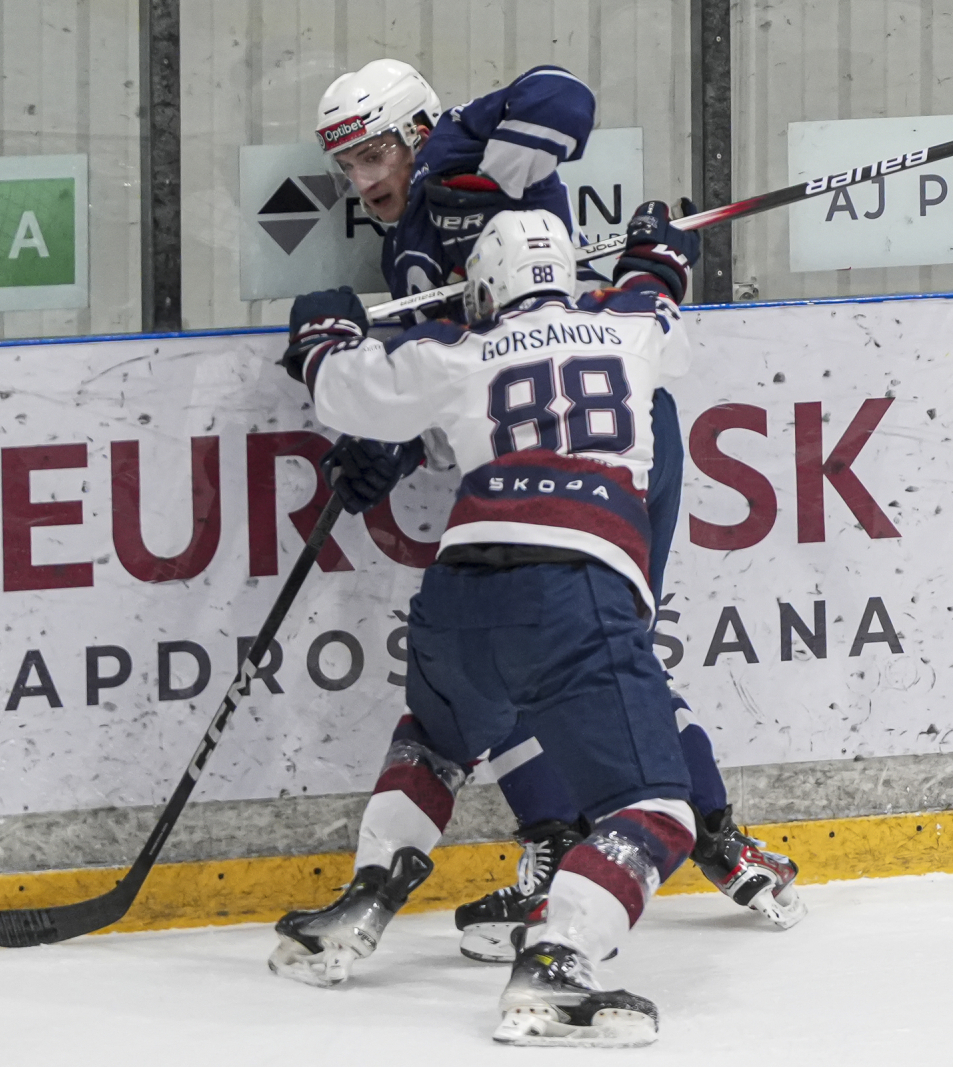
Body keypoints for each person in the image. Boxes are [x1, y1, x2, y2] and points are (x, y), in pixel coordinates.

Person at [314, 59, 805, 959]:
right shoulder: (402, 248)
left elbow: (560, 97)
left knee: (577, 652)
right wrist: (389, 448)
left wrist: (480, 164)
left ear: (417, 130)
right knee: (543, 655)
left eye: (376, 153)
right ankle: (639, 840)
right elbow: (457, 393)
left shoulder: (461, 152)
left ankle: (685, 834)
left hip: (604, 440)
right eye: (348, 165)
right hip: (531, 447)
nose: (364, 179)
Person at [269, 206, 702, 1047]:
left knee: (434, 740)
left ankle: (358, 907)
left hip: (458, 593)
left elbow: (343, 387)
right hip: (574, 588)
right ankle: (557, 963)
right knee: (657, 808)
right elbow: (662, 303)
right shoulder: (631, 325)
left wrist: (322, 332)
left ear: (483, 286)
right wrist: (659, 253)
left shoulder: (455, 350)